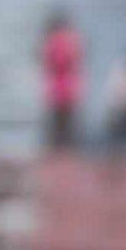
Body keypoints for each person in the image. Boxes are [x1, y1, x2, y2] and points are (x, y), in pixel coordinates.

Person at [41, 11, 84, 149]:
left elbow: (54, 61)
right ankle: (63, 149)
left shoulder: (57, 41)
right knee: (63, 122)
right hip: (64, 85)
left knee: (62, 122)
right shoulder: (71, 40)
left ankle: (61, 149)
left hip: (62, 85)